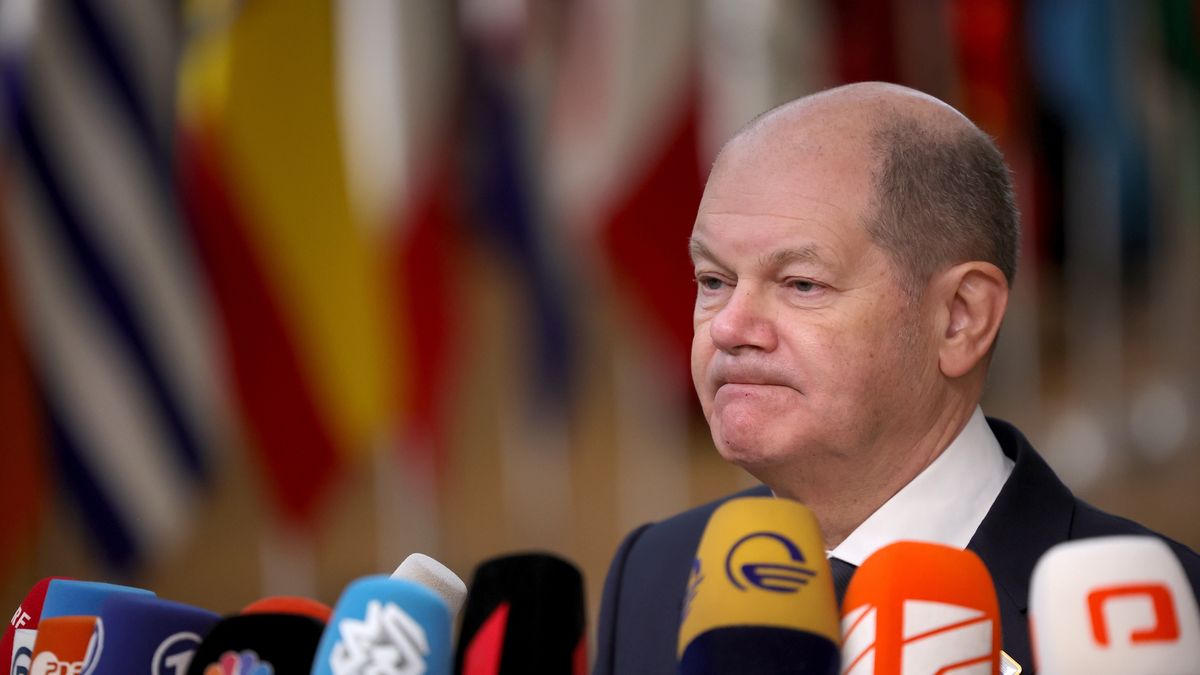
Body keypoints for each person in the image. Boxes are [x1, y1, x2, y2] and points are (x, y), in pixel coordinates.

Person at [592, 82, 1200, 674]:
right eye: (713, 281)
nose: (728, 327)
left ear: (960, 318)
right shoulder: (654, 575)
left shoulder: (1163, 618)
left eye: (801, 283)